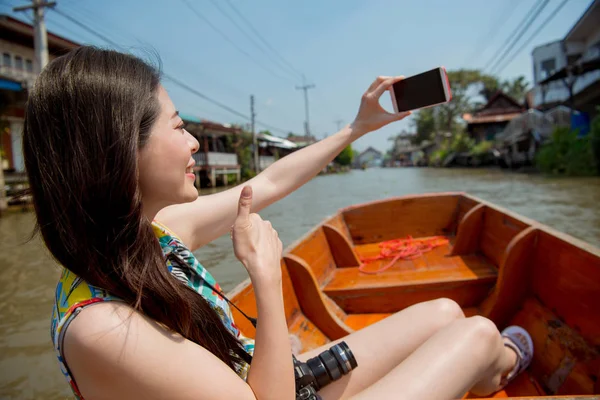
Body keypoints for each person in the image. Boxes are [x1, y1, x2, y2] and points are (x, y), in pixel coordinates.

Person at [24, 47, 533, 400]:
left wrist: (359, 127)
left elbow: (266, 185)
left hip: (282, 380)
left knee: (446, 313)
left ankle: (486, 374)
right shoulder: (99, 329)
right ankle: (500, 362)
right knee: (479, 335)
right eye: (179, 127)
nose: (196, 145)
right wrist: (266, 280)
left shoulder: (150, 232)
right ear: (119, 148)